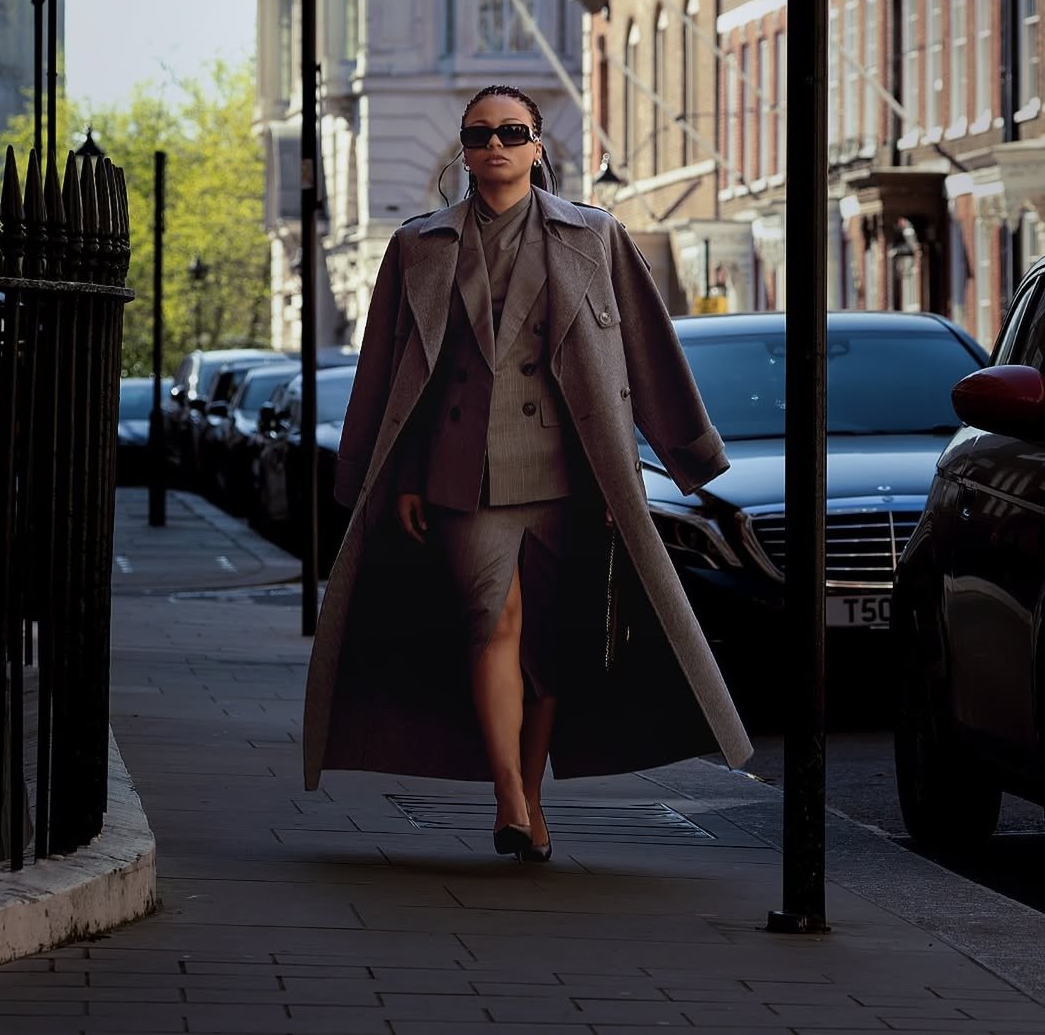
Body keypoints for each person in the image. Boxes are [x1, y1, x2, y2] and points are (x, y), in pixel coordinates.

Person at [302, 85, 751, 862]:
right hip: (459, 471)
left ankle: (530, 797)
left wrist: (691, 456)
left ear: (539, 146)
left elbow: (648, 346)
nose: (495, 146)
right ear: (464, 150)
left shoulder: (596, 236)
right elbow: (386, 372)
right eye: (480, 135)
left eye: (513, 132)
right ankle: (510, 797)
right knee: (491, 619)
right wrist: (389, 476)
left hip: (570, 470)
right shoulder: (418, 245)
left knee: (547, 642)